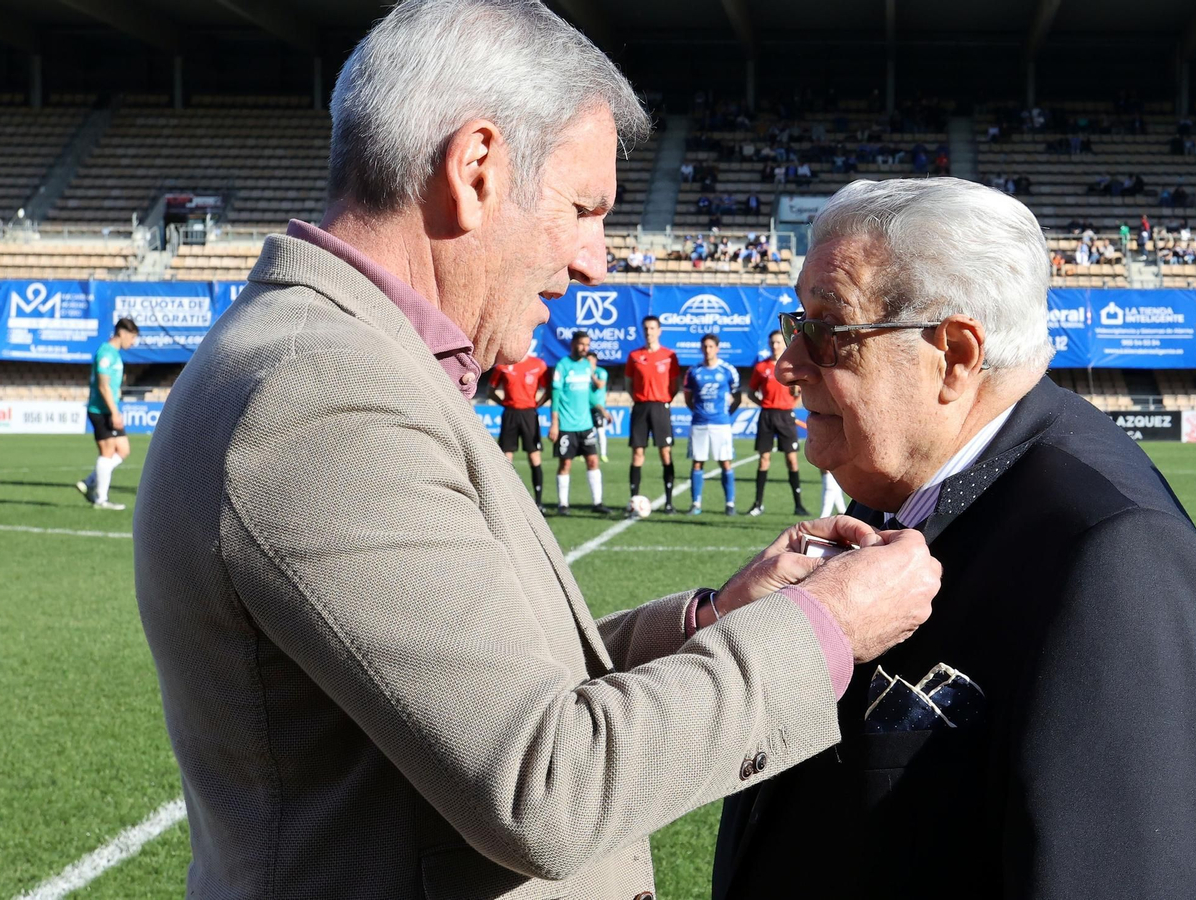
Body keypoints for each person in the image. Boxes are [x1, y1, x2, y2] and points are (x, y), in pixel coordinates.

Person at [133, 4, 943, 898]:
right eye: (584, 209)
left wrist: (713, 622)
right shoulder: (324, 393)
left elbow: (483, 692)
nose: (598, 260)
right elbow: (546, 788)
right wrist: (826, 627)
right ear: (476, 169)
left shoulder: (346, 362)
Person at [714, 177, 1196, 900]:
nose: (788, 364)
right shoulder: (903, 484)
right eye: (796, 322)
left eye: (828, 329)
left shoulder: (1114, 556)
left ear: (955, 355)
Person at [74, 317, 140, 510]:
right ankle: (101, 499)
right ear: (122, 333)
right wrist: (114, 412)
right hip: (101, 410)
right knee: (107, 452)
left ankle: (89, 482)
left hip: (109, 410)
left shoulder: (115, 355)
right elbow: (103, 386)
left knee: (123, 450)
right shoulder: (105, 353)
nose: (133, 342)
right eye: (132, 337)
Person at [748, 330, 809, 516]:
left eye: (777, 342)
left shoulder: (791, 366)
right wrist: (764, 404)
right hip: (767, 415)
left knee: (792, 460)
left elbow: (799, 390)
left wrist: (791, 402)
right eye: (772, 343)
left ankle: (798, 505)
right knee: (764, 459)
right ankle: (758, 504)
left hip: (786, 416)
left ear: (783, 344)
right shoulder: (761, 367)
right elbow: (751, 392)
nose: (774, 346)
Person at [625, 315, 680, 513]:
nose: (649, 332)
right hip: (640, 407)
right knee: (637, 454)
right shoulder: (634, 356)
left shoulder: (669, 355)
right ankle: (633, 501)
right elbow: (629, 384)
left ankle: (669, 502)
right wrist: (639, 399)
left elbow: (675, 385)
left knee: (665, 453)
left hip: (660, 407)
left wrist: (664, 400)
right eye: (646, 328)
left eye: (652, 328)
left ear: (659, 331)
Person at [550, 331, 607, 514]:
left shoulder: (587, 366)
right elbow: (555, 396)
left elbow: (589, 394)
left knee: (593, 461)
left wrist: (602, 409)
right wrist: (554, 423)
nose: (585, 348)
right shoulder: (562, 366)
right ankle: (563, 504)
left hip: (586, 425)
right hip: (566, 425)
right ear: (573, 344)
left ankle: (597, 503)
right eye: (582, 344)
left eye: (587, 345)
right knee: (565, 464)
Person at [683, 332, 740, 514]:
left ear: (717, 348)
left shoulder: (728, 370)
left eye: (711, 346)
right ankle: (696, 504)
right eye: (705, 346)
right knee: (697, 463)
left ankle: (730, 504)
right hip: (699, 423)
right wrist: (699, 412)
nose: (707, 350)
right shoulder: (693, 371)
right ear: (701, 348)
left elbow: (737, 397)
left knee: (725, 463)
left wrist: (725, 414)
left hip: (721, 424)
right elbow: (688, 399)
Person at [489, 350, 549, 509]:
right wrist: (504, 403)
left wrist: (536, 405)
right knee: (506, 457)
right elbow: (490, 391)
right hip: (510, 414)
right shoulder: (502, 365)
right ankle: (506, 501)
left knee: (534, 456)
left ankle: (539, 501)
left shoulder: (538, 365)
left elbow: (548, 390)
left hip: (529, 414)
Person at [586, 350, 611, 460]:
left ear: (595, 360)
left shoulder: (601, 372)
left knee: (600, 431)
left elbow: (600, 385)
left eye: (590, 360)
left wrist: (591, 375)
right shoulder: (582, 372)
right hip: (584, 406)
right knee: (587, 431)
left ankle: (603, 454)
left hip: (598, 407)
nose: (588, 362)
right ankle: (585, 453)